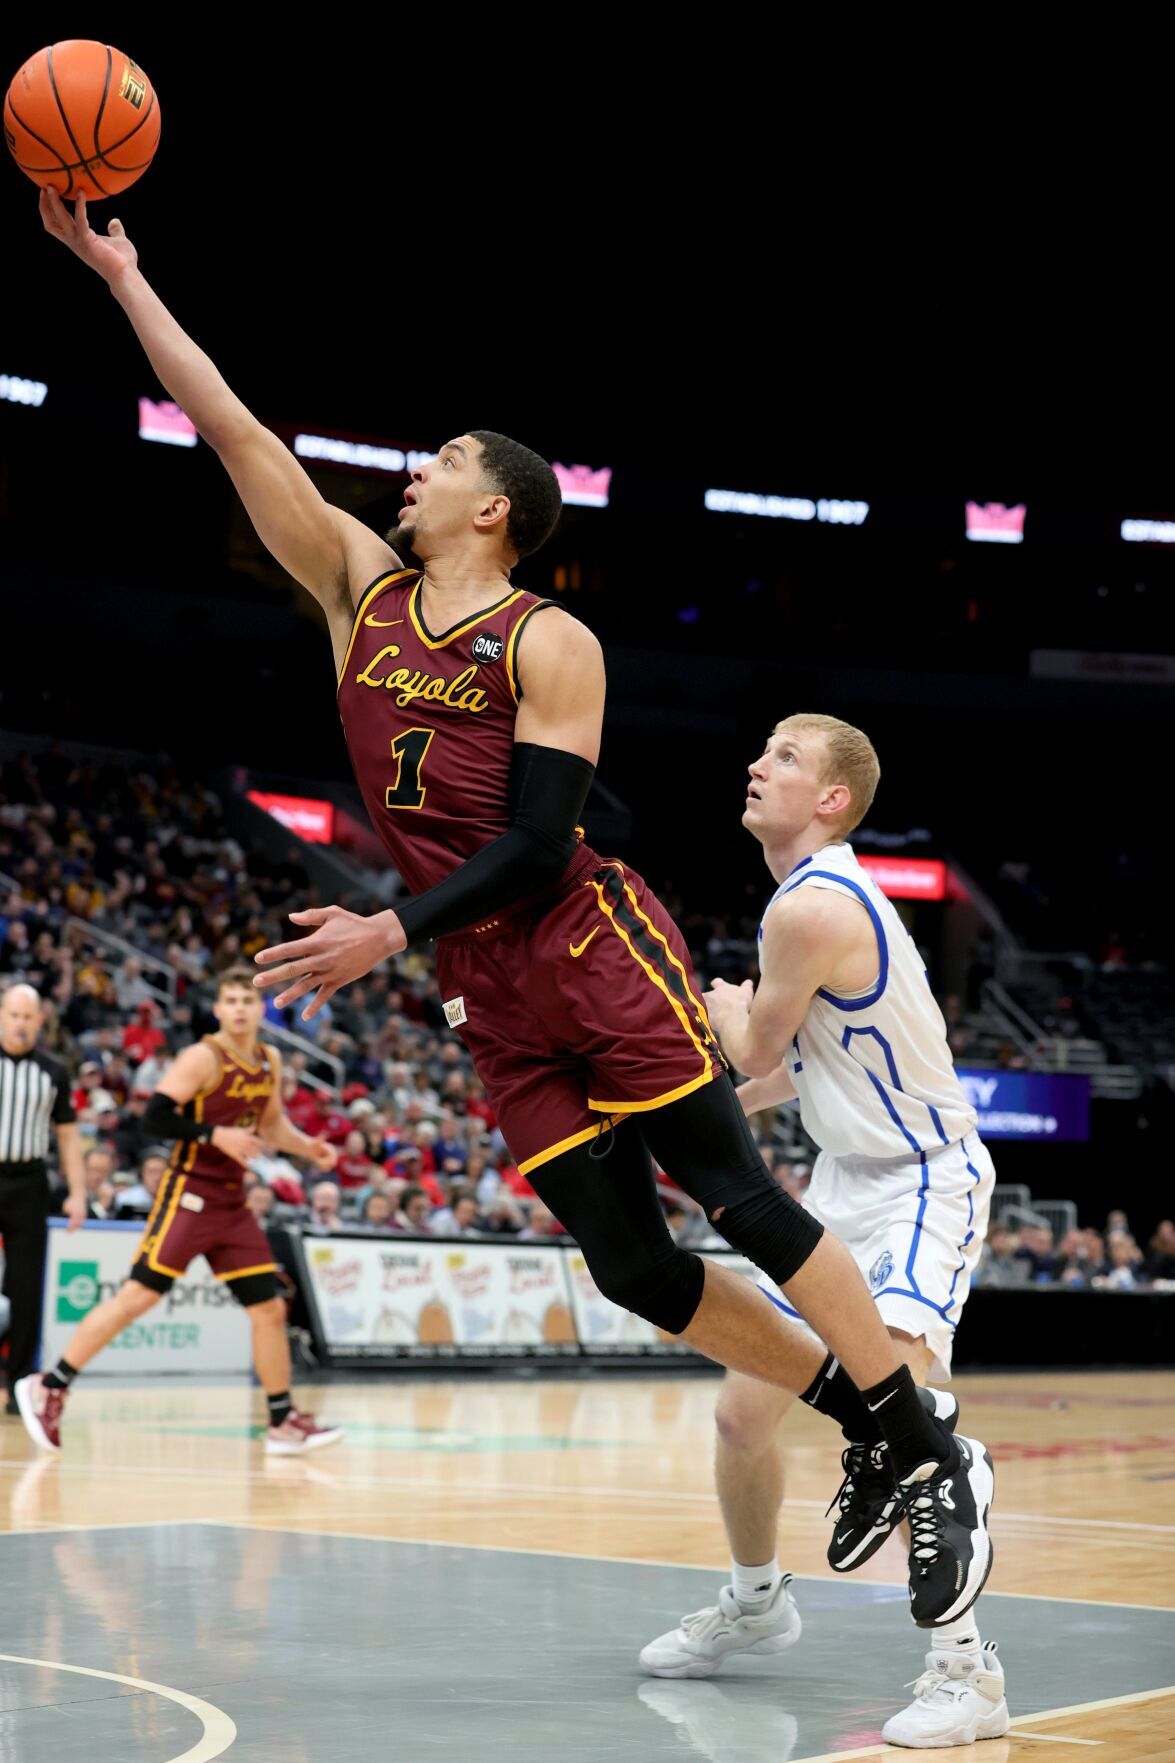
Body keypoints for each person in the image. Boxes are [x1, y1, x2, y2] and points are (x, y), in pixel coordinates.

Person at [40, 191, 989, 1624]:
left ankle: (923, 1452)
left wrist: (381, 927)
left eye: (433, 466)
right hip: (481, 980)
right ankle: (877, 1425)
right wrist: (124, 280)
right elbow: (232, 426)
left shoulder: (549, 636)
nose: (402, 481)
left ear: (494, 507)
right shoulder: (357, 587)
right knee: (627, 1263)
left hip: (584, 937)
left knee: (733, 1190)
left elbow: (544, 837)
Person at [639, 715, 1006, 1750]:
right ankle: (756, 1599)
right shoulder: (806, 900)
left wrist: (716, 1005)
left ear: (833, 798)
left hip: (922, 1183)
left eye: (785, 758)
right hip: (842, 1180)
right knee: (740, 1419)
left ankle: (966, 1675)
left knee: (911, 1431)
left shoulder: (809, 904)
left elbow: (749, 1038)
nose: (757, 765)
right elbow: (782, 1070)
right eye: (761, 751)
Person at [15, 967, 342, 1456]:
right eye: (230, 1000)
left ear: (261, 1010)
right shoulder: (202, 1057)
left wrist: (306, 1148)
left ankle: (280, 1421)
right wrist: (215, 1136)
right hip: (189, 1194)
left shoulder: (269, 1059)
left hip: (232, 1203)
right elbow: (152, 1118)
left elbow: (271, 1125)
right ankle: (51, 1386)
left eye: (247, 1002)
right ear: (217, 1009)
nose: (238, 1009)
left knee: (270, 1308)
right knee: (137, 1299)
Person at [0, 984, 86, 1412]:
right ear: (2, 1015)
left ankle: (18, 1384)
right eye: (13, 1015)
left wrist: (78, 1192)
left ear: (40, 1021)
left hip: (28, 1182)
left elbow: (68, 1138)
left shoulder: (54, 1071)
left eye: (28, 1016)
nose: (20, 1023)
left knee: (26, 1286)